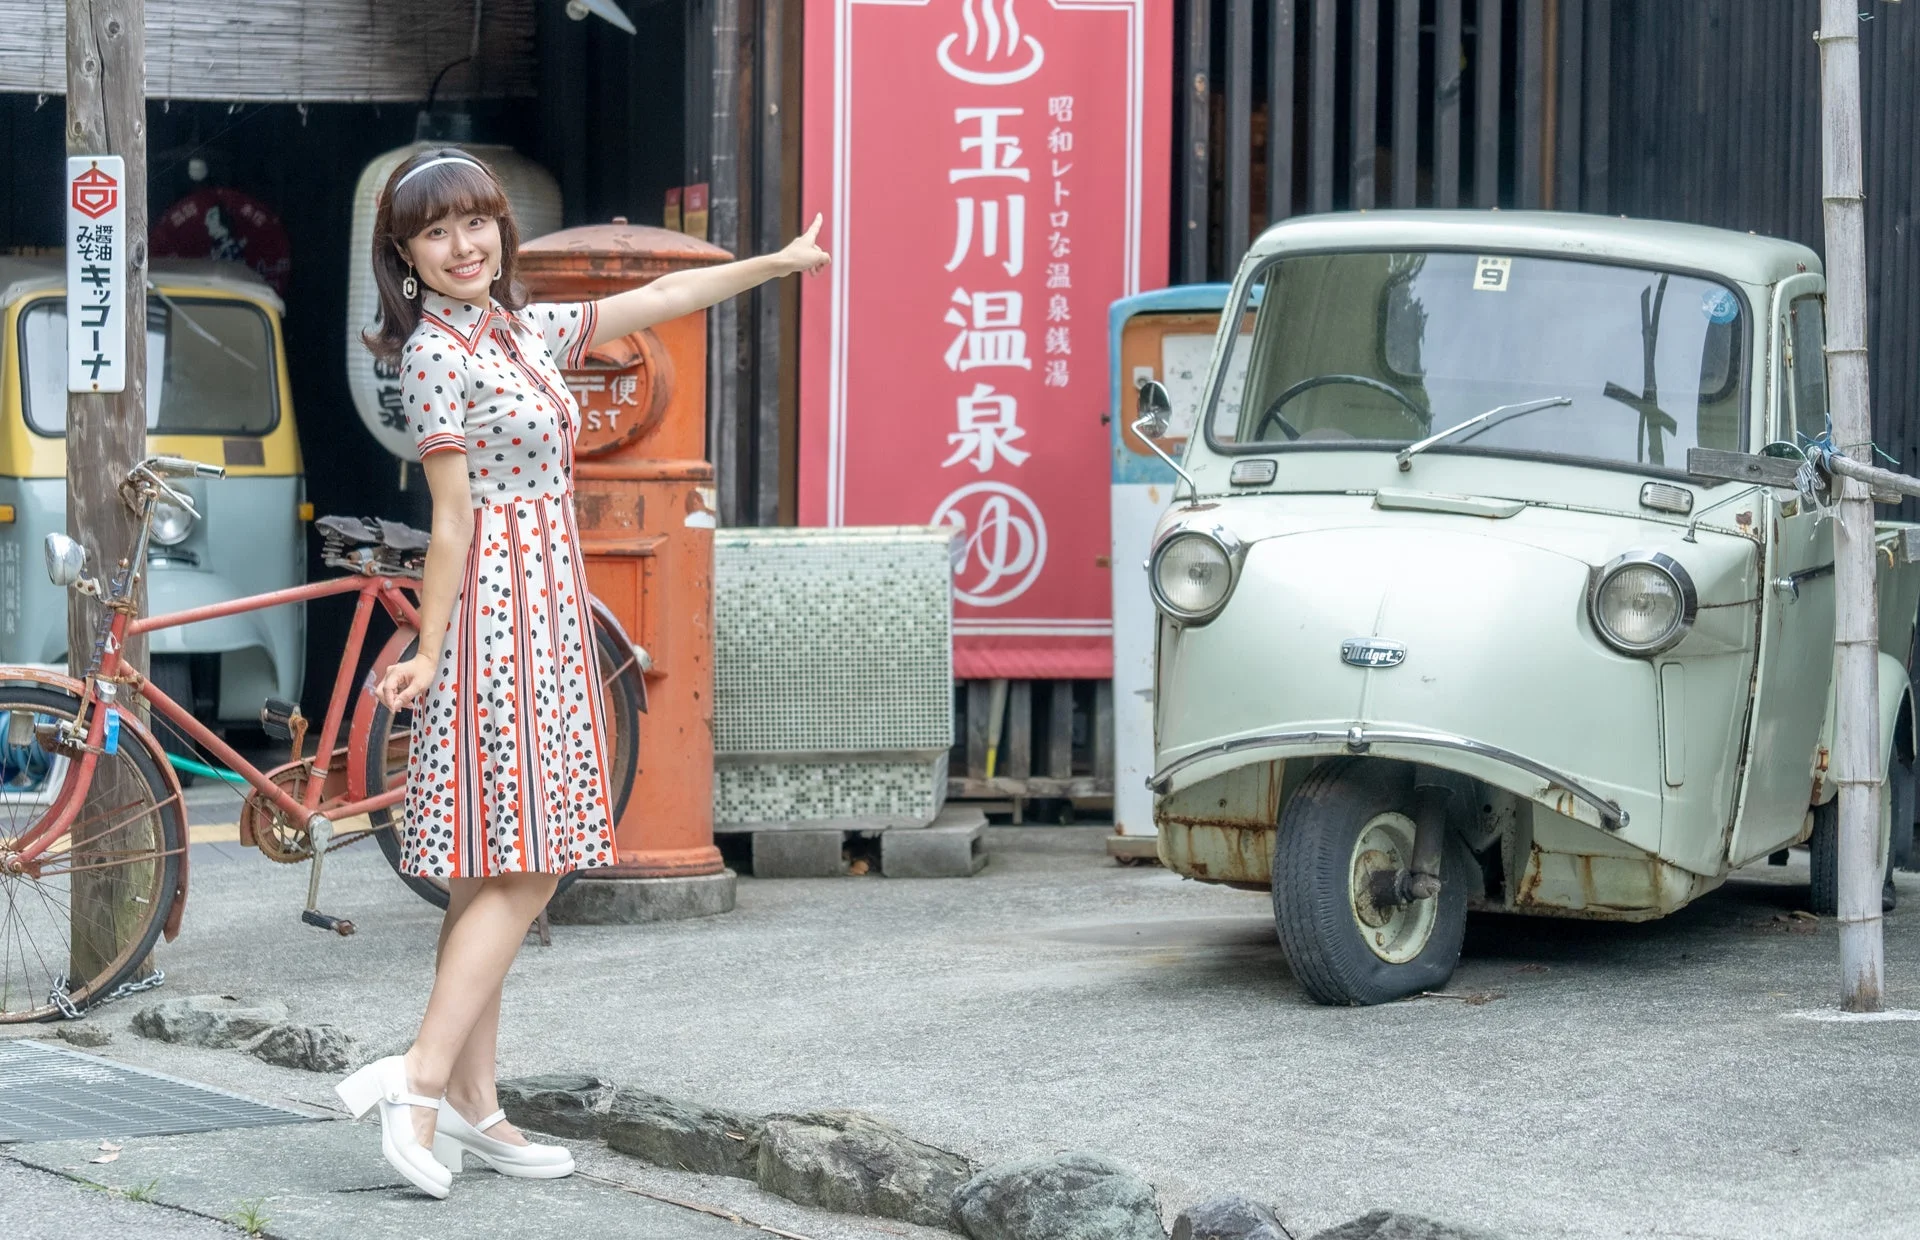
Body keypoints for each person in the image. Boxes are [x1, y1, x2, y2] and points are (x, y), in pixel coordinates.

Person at [334, 148, 829, 1198]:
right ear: (404, 256)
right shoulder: (434, 354)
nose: (465, 245)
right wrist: (428, 645)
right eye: (436, 232)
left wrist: (775, 264)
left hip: (549, 602)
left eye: (477, 222)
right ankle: (416, 1079)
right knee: (534, 855)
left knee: (489, 867)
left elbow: (660, 294)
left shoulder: (518, 329)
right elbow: (454, 517)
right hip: (500, 614)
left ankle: (474, 1106)